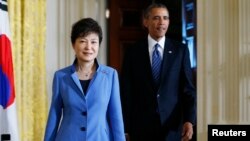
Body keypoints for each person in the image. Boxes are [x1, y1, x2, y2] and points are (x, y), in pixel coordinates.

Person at [120, 3, 196, 141]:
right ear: (145, 21)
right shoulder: (133, 52)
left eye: (165, 18)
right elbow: (126, 92)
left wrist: (189, 121)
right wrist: (125, 128)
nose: (161, 22)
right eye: (156, 18)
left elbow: (188, 89)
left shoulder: (181, 50)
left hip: (172, 128)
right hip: (140, 128)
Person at [44, 17, 126, 141]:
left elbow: (116, 117)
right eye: (83, 41)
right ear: (73, 44)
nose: (89, 47)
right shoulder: (61, 76)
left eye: (93, 42)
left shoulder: (110, 75)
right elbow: (54, 115)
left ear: (99, 45)